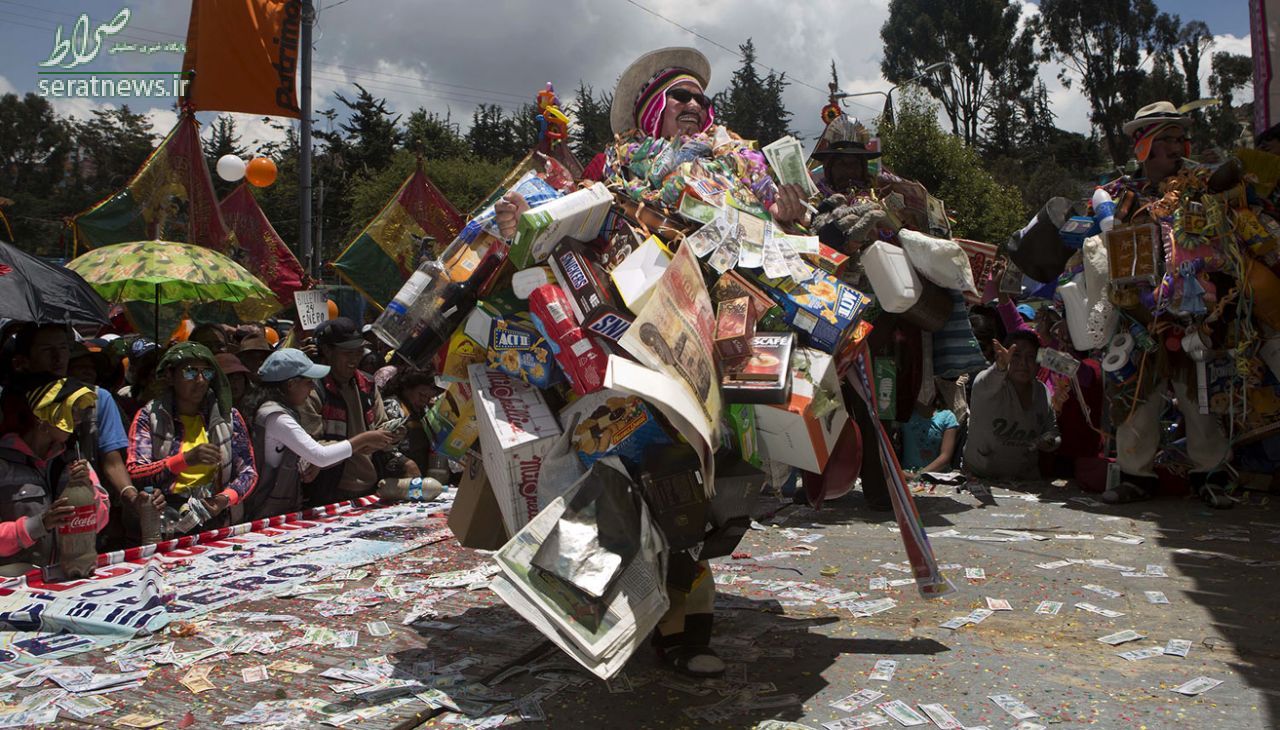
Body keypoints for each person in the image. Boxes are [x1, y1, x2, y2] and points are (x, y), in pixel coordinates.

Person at [1101, 102, 1231, 506]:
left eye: (1181, 139)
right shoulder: (1119, 195)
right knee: (1136, 396)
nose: (1179, 147)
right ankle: (1135, 475)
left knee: (1200, 395)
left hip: (1192, 308)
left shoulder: (1200, 188)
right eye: (1168, 139)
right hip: (1137, 311)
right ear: (1146, 146)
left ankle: (1210, 475)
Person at [9, 324, 152, 543]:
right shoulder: (7, 405)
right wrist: (36, 526)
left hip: (82, 540)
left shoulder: (97, 400)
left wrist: (130, 497)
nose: (58, 357)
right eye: (47, 350)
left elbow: (112, 463)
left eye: (64, 348)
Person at [243, 349, 395, 521]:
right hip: (267, 510)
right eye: (308, 382)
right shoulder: (277, 417)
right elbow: (320, 456)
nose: (312, 388)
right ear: (291, 384)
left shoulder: (278, 411)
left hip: (278, 505)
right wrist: (364, 439)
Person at [126, 342, 257, 534]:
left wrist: (223, 500)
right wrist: (186, 460)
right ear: (170, 376)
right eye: (190, 372)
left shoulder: (228, 417)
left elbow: (248, 472)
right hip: (165, 523)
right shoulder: (150, 416)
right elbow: (137, 472)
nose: (201, 380)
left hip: (216, 519)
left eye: (207, 373)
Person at [0, 375, 111, 575]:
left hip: (70, 576)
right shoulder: (4, 462)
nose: (77, 419)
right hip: (16, 583)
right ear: (42, 416)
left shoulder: (73, 458)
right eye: (71, 411)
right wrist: (39, 524)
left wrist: (87, 491)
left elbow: (101, 520)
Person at [299, 317, 408, 505]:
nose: (354, 359)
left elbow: (381, 426)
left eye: (358, 352)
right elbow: (310, 449)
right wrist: (361, 442)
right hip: (329, 492)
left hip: (369, 486)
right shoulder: (312, 389)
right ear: (327, 351)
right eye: (347, 353)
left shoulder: (367, 384)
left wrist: (393, 435)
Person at [964, 331, 1060, 481]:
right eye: (1016, 356)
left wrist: (1048, 441)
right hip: (980, 478)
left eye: (1030, 357)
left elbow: (1053, 432)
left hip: (1025, 482)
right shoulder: (987, 383)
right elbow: (988, 379)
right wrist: (1000, 367)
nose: (1023, 363)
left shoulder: (1042, 392)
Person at [381, 365, 439, 477]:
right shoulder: (394, 406)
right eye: (421, 395)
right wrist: (405, 463)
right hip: (397, 477)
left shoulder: (423, 410)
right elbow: (384, 447)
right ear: (407, 388)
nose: (424, 401)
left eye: (428, 397)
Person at [900, 392, 960, 474]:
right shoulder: (904, 415)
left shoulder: (947, 417)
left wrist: (918, 475)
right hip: (907, 474)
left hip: (936, 476)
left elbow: (945, 456)